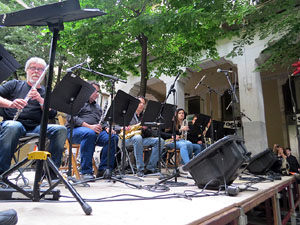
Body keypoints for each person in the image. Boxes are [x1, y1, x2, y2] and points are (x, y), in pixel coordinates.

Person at [0, 57, 67, 179]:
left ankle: (50, 175)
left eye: (40, 69)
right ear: (26, 70)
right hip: (13, 124)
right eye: (33, 68)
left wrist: (41, 100)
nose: (36, 71)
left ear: (43, 73)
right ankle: (2, 175)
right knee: (13, 126)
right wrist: (11, 104)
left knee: (60, 130)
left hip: (36, 128)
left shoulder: (46, 93)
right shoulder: (14, 84)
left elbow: (52, 114)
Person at [66, 82, 119, 180]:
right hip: (75, 131)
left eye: (98, 92)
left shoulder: (97, 107)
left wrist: (107, 127)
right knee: (89, 133)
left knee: (113, 137)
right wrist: (89, 127)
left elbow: (102, 122)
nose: (97, 94)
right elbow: (72, 118)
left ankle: (104, 170)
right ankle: (86, 171)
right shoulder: (77, 101)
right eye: (95, 91)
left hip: (93, 133)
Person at [124, 96, 164, 177]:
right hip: (128, 139)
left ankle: (150, 168)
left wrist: (145, 129)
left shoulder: (145, 117)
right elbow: (117, 127)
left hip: (142, 139)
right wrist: (125, 128)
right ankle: (140, 169)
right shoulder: (127, 114)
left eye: (143, 103)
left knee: (160, 141)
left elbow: (150, 134)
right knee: (138, 137)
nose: (141, 105)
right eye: (140, 103)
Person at [162, 108, 200, 175]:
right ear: (176, 115)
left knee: (197, 147)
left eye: (182, 113)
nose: (181, 114)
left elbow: (189, 135)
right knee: (184, 145)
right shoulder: (172, 123)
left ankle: (186, 165)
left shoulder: (185, 123)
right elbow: (168, 133)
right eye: (179, 113)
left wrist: (188, 130)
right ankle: (188, 167)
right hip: (170, 141)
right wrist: (180, 130)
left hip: (181, 140)